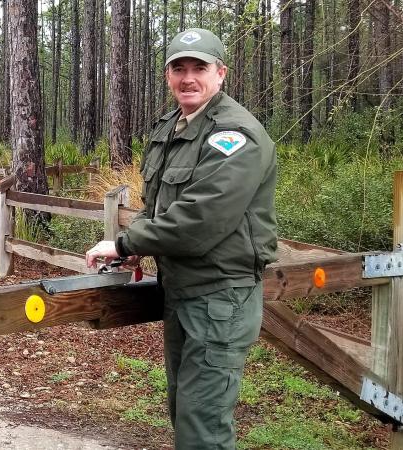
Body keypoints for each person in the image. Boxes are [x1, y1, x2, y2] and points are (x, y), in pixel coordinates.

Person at [85, 28, 277, 449]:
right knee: (183, 410)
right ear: (168, 75)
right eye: (179, 68)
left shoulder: (236, 135)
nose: (188, 78)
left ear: (221, 73)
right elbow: (159, 206)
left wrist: (124, 243)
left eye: (199, 68)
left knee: (201, 428)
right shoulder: (173, 127)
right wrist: (138, 248)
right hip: (182, 292)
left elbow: (199, 220)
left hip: (220, 297)